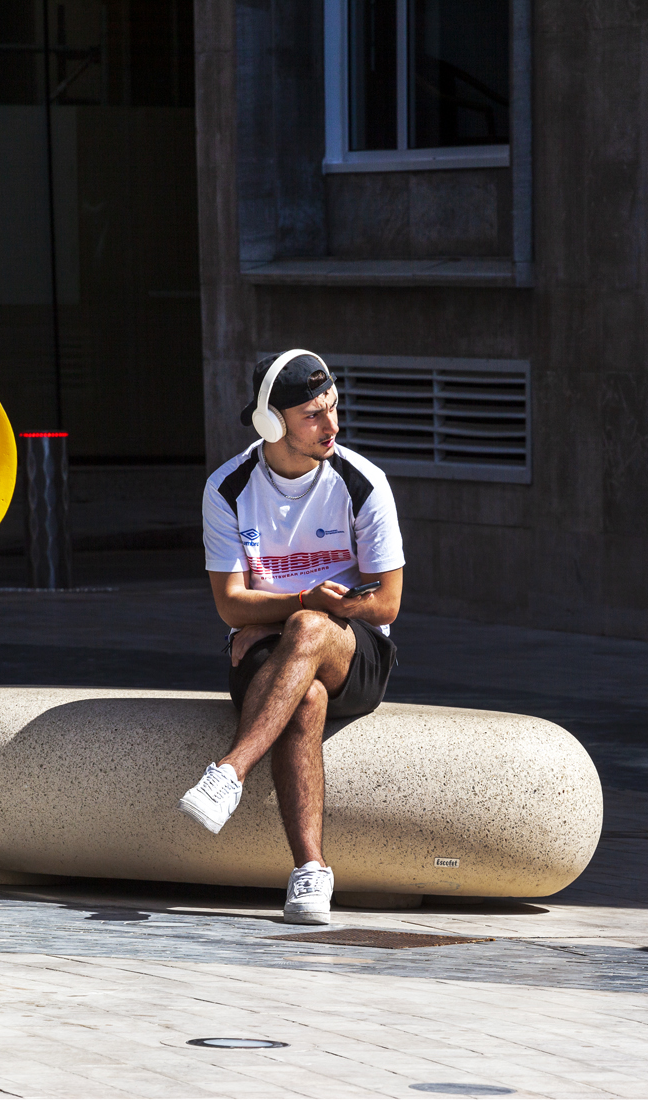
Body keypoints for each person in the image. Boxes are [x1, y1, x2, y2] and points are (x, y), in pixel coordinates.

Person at [178, 349, 405, 924]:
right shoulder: (227, 487)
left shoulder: (363, 482)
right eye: (313, 414)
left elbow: (386, 603)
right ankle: (310, 872)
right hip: (271, 656)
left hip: (357, 652)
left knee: (308, 627)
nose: (332, 425)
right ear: (272, 423)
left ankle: (230, 772)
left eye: (333, 407)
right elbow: (229, 605)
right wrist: (303, 602)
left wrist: (305, 611)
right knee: (306, 696)